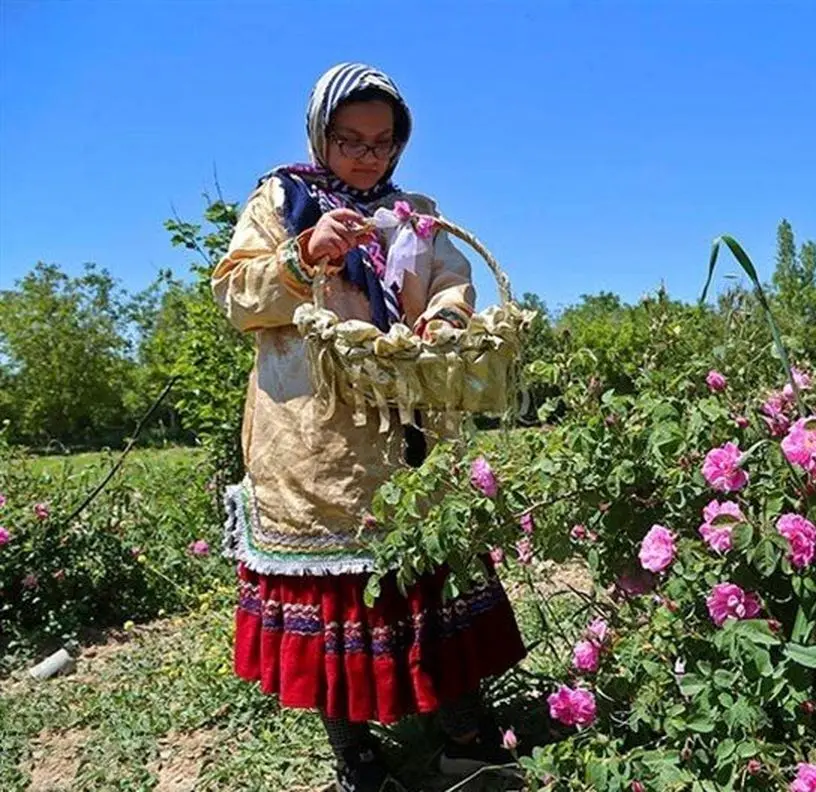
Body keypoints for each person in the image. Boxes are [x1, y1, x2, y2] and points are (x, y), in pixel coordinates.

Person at [211, 62, 526, 792]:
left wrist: (444, 318)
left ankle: (464, 740)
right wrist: (303, 253)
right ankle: (357, 756)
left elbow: (451, 278)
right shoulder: (281, 198)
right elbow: (235, 293)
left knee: (425, 563)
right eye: (350, 139)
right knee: (339, 587)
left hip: (406, 427)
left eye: (383, 142)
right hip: (313, 431)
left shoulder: (411, 212)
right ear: (321, 135)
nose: (367, 156)